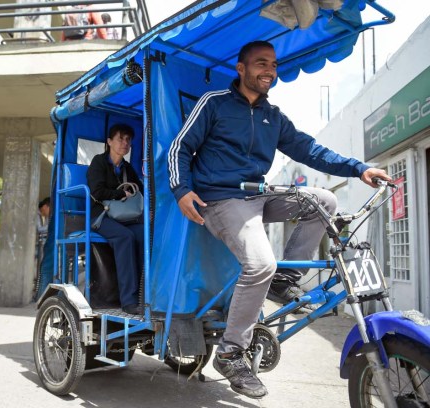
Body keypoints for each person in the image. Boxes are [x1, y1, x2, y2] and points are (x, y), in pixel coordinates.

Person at [167, 40, 390, 399]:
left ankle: (284, 279)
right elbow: (180, 147)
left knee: (324, 200)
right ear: (241, 69)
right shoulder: (215, 104)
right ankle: (230, 352)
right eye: (261, 63)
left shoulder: (274, 117)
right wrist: (181, 190)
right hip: (222, 199)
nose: (269, 70)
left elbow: (311, 150)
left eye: (273, 64)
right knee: (259, 264)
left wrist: (358, 168)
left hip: (259, 195)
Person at [87, 124, 144, 315]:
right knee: (125, 237)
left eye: (128, 140)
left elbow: (141, 191)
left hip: (124, 218)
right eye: (121, 139)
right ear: (109, 142)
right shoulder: (99, 162)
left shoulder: (128, 168)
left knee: (145, 235)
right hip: (100, 216)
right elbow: (97, 191)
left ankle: (144, 295)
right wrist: (120, 194)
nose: (125, 143)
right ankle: (128, 300)